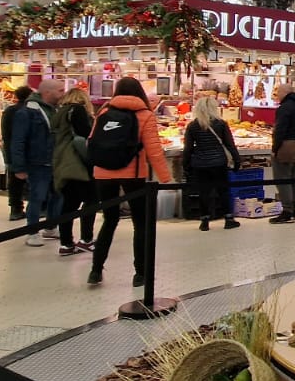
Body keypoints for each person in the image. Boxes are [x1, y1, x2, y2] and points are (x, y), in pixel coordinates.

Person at [88, 77, 173, 285]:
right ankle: (140, 274)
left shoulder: (104, 112)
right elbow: (154, 151)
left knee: (109, 220)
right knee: (140, 223)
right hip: (132, 174)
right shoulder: (145, 115)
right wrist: (166, 179)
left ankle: (95, 270)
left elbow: (92, 141)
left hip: (103, 173)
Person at [9, 80, 65, 247]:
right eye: (60, 90)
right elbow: (18, 141)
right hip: (37, 163)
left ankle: (51, 226)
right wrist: (18, 167)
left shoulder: (55, 110)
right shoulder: (26, 113)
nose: (63, 93)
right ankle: (32, 231)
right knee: (37, 197)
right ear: (48, 92)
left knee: (58, 196)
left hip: (55, 162)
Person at [183, 96, 242, 232]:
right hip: (219, 162)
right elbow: (230, 144)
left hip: (200, 163)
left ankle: (204, 221)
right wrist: (237, 160)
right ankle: (228, 219)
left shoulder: (193, 126)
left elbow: (188, 148)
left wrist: (186, 165)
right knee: (223, 191)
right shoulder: (221, 124)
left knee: (204, 192)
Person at [51, 87, 97, 256]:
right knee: (91, 200)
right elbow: (85, 134)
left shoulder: (60, 113)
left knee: (68, 204)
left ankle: (66, 243)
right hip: (78, 163)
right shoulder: (77, 111)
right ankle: (86, 239)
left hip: (63, 161)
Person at [270, 83, 295, 224]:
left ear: (285, 93)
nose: (277, 95)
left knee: (282, 178)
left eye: (278, 92)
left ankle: (287, 212)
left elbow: (279, 131)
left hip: (285, 146)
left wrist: (275, 148)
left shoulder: (284, 108)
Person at [1, 86, 33, 221]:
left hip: (10, 151)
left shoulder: (9, 111)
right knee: (33, 181)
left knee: (14, 181)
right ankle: (35, 208)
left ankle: (15, 208)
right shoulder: (30, 111)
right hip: (29, 152)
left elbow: (5, 132)